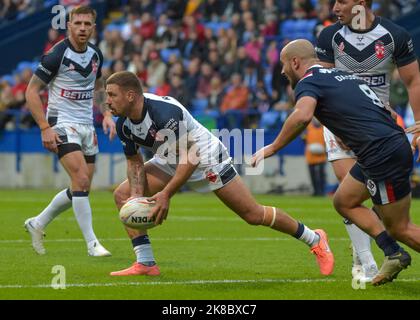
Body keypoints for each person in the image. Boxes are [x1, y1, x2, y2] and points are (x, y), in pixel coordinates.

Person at [104, 71, 334, 277]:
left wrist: (166, 193)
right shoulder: (124, 123)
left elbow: (192, 157)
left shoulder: (164, 113)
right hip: (170, 158)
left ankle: (314, 238)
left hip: (206, 159)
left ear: (131, 95)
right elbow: (134, 162)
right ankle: (145, 262)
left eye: (112, 95)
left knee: (253, 215)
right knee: (123, 196)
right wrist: (137, 197)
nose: (107, 101)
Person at [252, 39, 420, 286]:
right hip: (384, 148)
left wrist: (273, 146)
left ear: (295, 62)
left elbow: (302, 115)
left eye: (283, 64)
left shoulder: (308, 81)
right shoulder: (342, 75)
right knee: (344, 201)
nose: (282, 71)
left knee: (400, 228)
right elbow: (387, 111)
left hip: (381, 154)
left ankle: (394, 248)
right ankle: (393, 253)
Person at [315, 0, 420, 282]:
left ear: (361, 4)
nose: (335, 7)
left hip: (378, 128)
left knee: (374, 205)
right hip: (339, 127)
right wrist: (337, 130)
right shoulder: (329, 37)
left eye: (342, 1)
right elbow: (321, 86)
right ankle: (366, 261)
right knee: (346, 196)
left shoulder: (394, 35)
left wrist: (419, 122)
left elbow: (414, 81)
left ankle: (389, 248)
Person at [24, 6, 116, 256]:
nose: (83, 28)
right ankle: (92, 244)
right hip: (61, 123)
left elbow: (99, 86)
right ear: (69, 26)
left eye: (88, 24)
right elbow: (31, 92)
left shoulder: (96, 54)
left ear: (94, 27)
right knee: (82, 180)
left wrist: (106, 113)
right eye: (78, 24)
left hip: (87, 125)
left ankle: (38, 222)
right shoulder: (56, 55)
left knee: (81, 187)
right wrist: (44, 127)